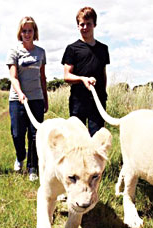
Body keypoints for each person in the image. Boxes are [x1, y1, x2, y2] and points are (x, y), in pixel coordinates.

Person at [6, 16, 48, 181]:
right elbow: (13, 77)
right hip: (17, 99)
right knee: (17, 134)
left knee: (35, 135)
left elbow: (42, 77)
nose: (27, 33)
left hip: (36, 98)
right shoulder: (14, 51)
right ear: (20, 32)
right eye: (24, 30)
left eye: (30, 30)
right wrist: (20, 93)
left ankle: (33, 168)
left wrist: (45, 97)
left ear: (34, 32)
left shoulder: (40, 52)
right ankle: (20, 156)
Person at [61, 6, 110, 136]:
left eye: (88, 24)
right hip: (78, 101)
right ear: (77, 26)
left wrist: (103, 94)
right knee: (78, 138)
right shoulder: (72, 49)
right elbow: (66, 76)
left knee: (96, 137)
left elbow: (103, 74)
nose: (85, 27)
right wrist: (83, 79)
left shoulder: (103, 49)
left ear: (94, 24)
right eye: (82, 24)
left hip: (98, 100)